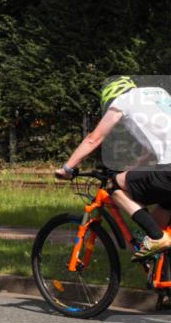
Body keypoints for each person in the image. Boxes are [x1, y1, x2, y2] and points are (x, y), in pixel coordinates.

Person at [54, 76, 171, 258]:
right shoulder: (159, 94)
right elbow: (152, 145)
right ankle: (161, 268)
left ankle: (156, 238)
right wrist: (133, 168)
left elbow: (94, 138)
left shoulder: (122, 101)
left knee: (113, 185)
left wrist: (67, 168)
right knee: (164, 206)